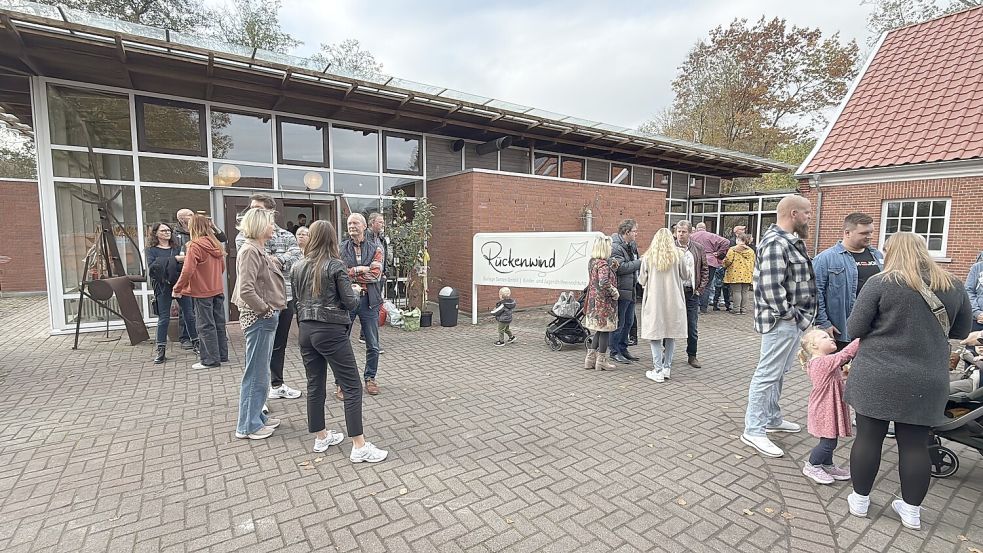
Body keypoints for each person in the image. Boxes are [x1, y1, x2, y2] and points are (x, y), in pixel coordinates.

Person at [844, 232, 972, 530]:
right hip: (926, 379)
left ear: (891, 252)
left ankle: (860, 501)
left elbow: (855, 328)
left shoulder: (880, 283)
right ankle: (911, 511)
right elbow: (960, 331)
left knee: (868, 438)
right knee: (915, 445)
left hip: (877, 375)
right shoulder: (952, 284)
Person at [291, 220, 388, 462]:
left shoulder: (297, 266)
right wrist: (355, 291)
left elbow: (296, 301)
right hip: (331, 331)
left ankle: (321, 437)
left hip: (306, 330)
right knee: (352, 386)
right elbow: (351, 303)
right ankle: (359, 445)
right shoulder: (335, 266)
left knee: (315, 385)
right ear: (332, 239)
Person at [740, 195, 816, 458]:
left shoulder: (789, 241)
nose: (810, 217)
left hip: (790, 321)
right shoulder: (775, 242)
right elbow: (771, 287)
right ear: (793, 213)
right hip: (782, 321)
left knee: (779, 371)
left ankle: (771, 418)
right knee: (768, 373)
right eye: (807, 213)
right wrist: (789, 315)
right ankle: (754, 429)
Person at [235, 194, 304, 401]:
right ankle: (258, 398)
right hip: (260, 302)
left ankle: (277, 384)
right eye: (252, 208)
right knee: (257, 352)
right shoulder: (245, 237)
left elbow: (296, 258)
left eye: (259, 208)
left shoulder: (285, 235)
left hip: (285, 296)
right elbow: (253, 271)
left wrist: (274, 259)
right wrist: (276, 261)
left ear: (271, 212)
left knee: (278, 344)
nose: (253, 212)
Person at [231, 208, 287, 440]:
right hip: (259, 318)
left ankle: (257, 417)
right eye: (271, 224)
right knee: (255, 373)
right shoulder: (250, 251)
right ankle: (248, 425)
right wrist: (265, 309)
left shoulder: (256, 249)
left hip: (263, 317)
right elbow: (246, 289)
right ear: (260, 226)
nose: (273, 227)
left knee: (261, 371)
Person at [813, 213, 883, 350]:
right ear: (847, 233)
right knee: (841, 370)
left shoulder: (878, 256)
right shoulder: (825, 259)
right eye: (864, 233)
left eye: (871, 232)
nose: (870, 236)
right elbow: (815, 294)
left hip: (874, 330)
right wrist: (823, 323)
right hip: (841, 332)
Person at [798, 330, 857, 485]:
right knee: (829, 442)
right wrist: (860, 339)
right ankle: (812, 465)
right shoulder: (820, 362)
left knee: (830, 437)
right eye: (824, 337)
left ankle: (827, 465)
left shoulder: (824, 362)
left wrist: (843, 376)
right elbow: (844, 355)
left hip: (829, 407)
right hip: (825, 409)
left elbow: (833, 380)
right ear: (814, 346)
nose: (830, 338)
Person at [172, 214, 228, 370]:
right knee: (218, 323)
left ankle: (210, 360)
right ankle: (222, 355)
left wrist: (177, 288)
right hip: (217, 288)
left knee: (205, 325)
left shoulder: (195, 245)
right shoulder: (216, 244)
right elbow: (222, 267)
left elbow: (187, 269)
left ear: (193, 227)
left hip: (202, 291)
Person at [340, 213, 384, 398]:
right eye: (349, 223)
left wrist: (352, 273)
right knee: (341, 343)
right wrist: (361, 269)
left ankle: (370, 378)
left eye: (355, 223)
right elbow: (339, 273)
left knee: (373, 344)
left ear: (364, 226)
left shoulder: (376, 248)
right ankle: (341, 383)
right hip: (347, 299)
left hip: (369, 300)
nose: (352, 226)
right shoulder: (340, 248)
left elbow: (375, 275)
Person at [638, 228, 689, 383]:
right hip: (673, 299)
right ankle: (667, 367)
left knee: (655, 334)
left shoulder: (648, 257)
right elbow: (686, 275)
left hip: (655, 300)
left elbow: (642, 280)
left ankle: (658, 369)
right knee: (670, 333)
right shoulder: (678, 255)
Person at [145, 221, 198, 364]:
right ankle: (161, 349)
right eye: (163, 231)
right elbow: (153, 268)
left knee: (189, 314)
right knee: (164, 318)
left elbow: (185, 265)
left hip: (180, 282)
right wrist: (175, 260)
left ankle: (196, 343)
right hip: (162, 285)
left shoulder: (177, 247)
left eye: (168, 230)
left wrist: (167, 263)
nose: (167, 233)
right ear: (156, 233)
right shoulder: (151, 250)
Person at [674, 221, 709, 368]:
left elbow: (705, 269)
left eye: (683, 232)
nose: (680, 234)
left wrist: (699, 289)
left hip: (691, 292)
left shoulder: (698, 248)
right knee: (670, 323)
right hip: (674, 293)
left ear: (690, 233)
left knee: (692, 326)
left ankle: (692, 355)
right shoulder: (670, 247)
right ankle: (665, 351)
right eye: (678, 231)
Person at [584, 236, 620, 371]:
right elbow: (604, 282)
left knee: (599, 331)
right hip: (604, 303)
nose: (611, 248)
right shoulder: (603, 265)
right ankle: (602, 361)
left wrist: (613, 268)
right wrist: (614, 291)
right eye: (610, 246)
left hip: (594, 302)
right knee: (605, 331)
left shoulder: (593, 262)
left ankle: (590, 359)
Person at [608, 220, 642, 364]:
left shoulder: (631, 245)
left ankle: (623, 348)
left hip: (631, 289)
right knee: (620, 322)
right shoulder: (615, 246)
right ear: (626, 232)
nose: (636, 233)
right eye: (634, 231)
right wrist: (641, 262)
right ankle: (614, 351)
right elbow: (620, 268)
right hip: (621, 289)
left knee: (629, 322)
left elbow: (633, 261)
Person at [691, 222, 731, 313]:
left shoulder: (692, 236)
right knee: (707, 285)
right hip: (710, 260)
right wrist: (718, 252)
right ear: (705, 228)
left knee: (696, 283)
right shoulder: (712, 236)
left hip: (696, 260)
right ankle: (703, 307)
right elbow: (726, 242)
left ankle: (696, 306)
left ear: (697, 228)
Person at [365, 212, 388, 354]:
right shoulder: (365, 238)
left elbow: (383, 255)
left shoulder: (381, 238)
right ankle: (372, 342)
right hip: (369, 278)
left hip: (379, 277)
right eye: (380, 222)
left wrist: (384, 272)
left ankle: (366, 337)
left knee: (372, 308)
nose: (382, 224)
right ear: (371, 223)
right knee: (371, 309)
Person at [723, 233, 755, 315]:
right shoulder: (751, 251)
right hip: (747, 273)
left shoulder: (733, 249)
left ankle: (736, 309)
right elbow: (754, 262)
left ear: (738, 240)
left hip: (735, 273)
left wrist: (724, 264)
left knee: (736, 291)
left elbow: (728, 260)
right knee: (745, 292)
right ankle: (743, 309)